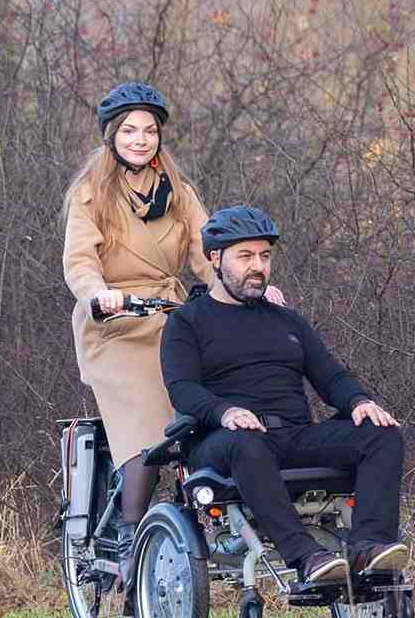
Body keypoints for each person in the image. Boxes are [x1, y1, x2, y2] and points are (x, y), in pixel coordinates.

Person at [61, 82, 281, 586]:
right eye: (130, 131)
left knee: (212, 408)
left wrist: (249, 286)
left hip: (172, 315)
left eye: (150, 131)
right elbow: (79, 260)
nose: (141, 139)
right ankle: (128, 535)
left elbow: (210, 252)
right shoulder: (91, 193)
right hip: (116, 325)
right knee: (147, 435)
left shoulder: (177, 191)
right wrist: (98, 293)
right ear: (112, 136)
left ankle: (219, 519)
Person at [160, 205, 409, 583]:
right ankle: (306, 556)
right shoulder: (187, 322)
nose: (257, 266)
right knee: (246, 442)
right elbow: (182, 389)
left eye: (264, 256)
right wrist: (225, 411)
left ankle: (367, 547)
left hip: (293, 434)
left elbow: (329, 376)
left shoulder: (286, 320)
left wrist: (360, 402)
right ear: (215, 258)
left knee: (382, 433)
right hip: (223, 443)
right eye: (245, 256)